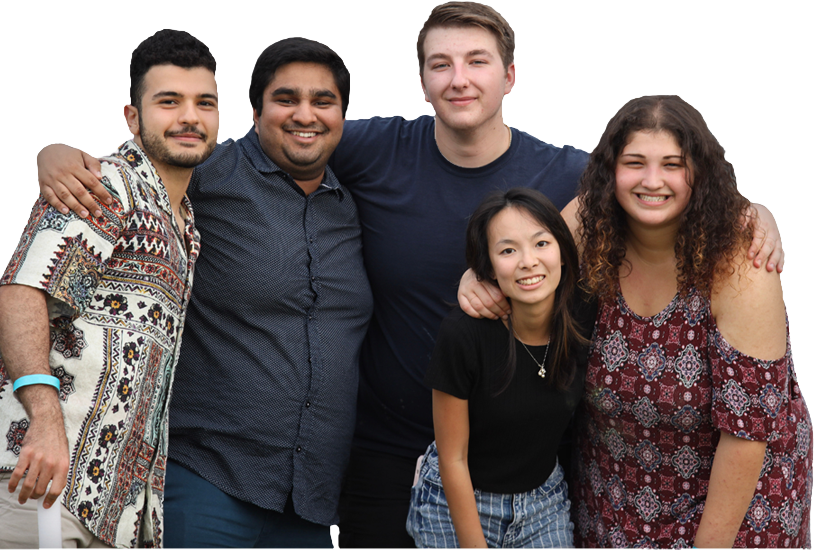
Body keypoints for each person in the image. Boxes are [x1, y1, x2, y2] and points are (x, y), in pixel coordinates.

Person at [33, 4, 785, 548]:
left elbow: (653, 178)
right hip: (383, 457)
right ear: (421, 80)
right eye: (440, 64)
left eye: (477, 61)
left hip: (529, 465)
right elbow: (219, 139)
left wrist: (752, 210)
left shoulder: (563, 173)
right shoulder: (366, 149)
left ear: (511, 74)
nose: (459, 79)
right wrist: (64, 153)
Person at [34, 38, 373, 548]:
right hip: (206, 480)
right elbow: (144, 163)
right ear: (255, 111)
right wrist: (55, 155)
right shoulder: (209, 176)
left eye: (323, 101)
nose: (305, 114)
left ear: (343, 115)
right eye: (286, 99)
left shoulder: (352, 201)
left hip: (308, 503)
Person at [0, 29, 217, 548]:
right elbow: (22, 292)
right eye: (169, 101)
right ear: (132, 117)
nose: (189, 116)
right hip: (42, 482)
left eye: (204, 102)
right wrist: (46, 420)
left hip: (112, 509)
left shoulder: (184, 222)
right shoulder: (107, 188)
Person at [569, 95, 811, 548]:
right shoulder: (590, 226)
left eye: (673, 164)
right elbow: (523, 257)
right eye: (634, 162)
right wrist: (476, 278)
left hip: (739, 499)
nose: (652, 181)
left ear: (698, 173)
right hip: (619, 488)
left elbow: (747, 434)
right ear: (610, 172)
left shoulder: (741, 260)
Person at [406, 188, 592, 548]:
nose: (528, 261)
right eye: (508, 250)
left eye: (542, 243)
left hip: (543, 498)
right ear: (488, 266)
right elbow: (453, 458)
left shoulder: (584, 315)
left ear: (563, 252)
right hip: (456, 498)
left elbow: (608, 190)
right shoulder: (465, 334)